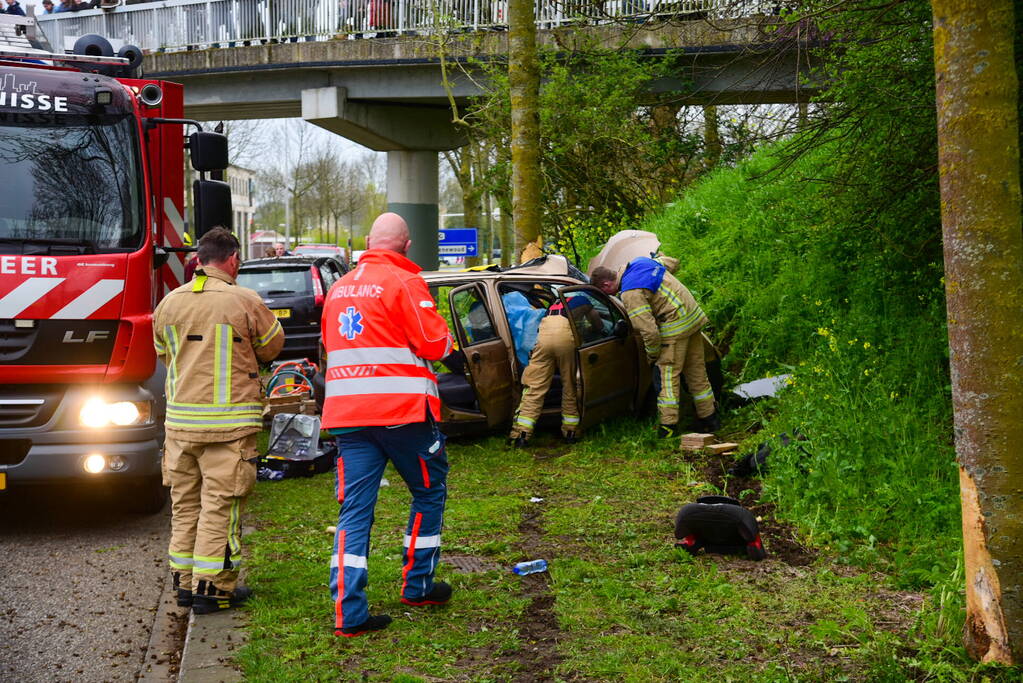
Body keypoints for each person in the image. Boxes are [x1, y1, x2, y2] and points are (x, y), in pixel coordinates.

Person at [321, 212, 454, 638]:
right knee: (428, 493)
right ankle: (417, 586)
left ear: (367, 241)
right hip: (402, 416)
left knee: (355, 512)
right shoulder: (405, 283)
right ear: (407, 245)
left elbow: (330, 347)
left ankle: (349, 611)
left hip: (348, 417)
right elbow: (434, 343)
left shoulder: (339, 288)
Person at [153, 228, 284, 614]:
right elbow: (273, 346)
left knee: (185, 504)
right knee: (220, 508)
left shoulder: (169, 303)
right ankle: (212, 590)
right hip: (228, 428)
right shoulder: (244, 300)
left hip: (179, 427)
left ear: (198, 259)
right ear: (232, 259)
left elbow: (163, 353)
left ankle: (184, 584)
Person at [592, 258, 719, 437]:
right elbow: (673, 263)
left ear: (606, 285)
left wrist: (652, 355)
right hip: (692, 319)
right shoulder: (642, 263)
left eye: (606, 293)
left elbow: (649, 331)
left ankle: (668, 427)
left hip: (675, 329)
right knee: (696, 371)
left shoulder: (630, 292)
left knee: (667, 377)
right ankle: (710, 418)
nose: (610, 296)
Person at [507, 294, 590, 447]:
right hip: (565, 341)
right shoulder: (584, 300)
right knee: (569, 385)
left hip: (543, 340)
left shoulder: (553, 306)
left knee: (534, 387)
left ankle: (520, 435)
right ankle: (570, 432)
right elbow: (596, 324)